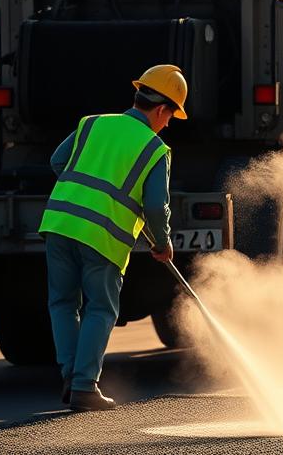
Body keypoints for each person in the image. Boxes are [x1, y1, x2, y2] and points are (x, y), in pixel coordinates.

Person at [39, 64, 187, 411]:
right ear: (162, 109)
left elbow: (58, 162)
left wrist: (84, 194)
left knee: (62, 303)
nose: (168, 125)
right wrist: (162, 243)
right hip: (101, 237)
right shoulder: (155, 150)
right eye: (170, 117)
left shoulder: (93, 123)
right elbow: (154, 206)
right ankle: (84, 386)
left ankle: (70, 376)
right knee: (101, 308)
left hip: (59, 224)